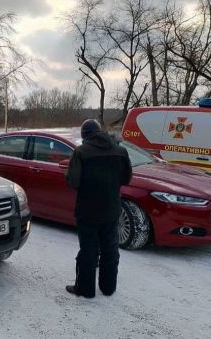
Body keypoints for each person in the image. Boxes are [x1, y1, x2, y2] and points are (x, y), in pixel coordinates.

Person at [65, 119, 132, 298]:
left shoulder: (80, 152)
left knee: (88, 249)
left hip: (87, 210)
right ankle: (108, 288)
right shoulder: (121, 151)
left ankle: (85, 290)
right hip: (111, 209)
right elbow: (126, 179)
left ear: (84, 135)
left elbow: (73, 181)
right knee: (110, 248)